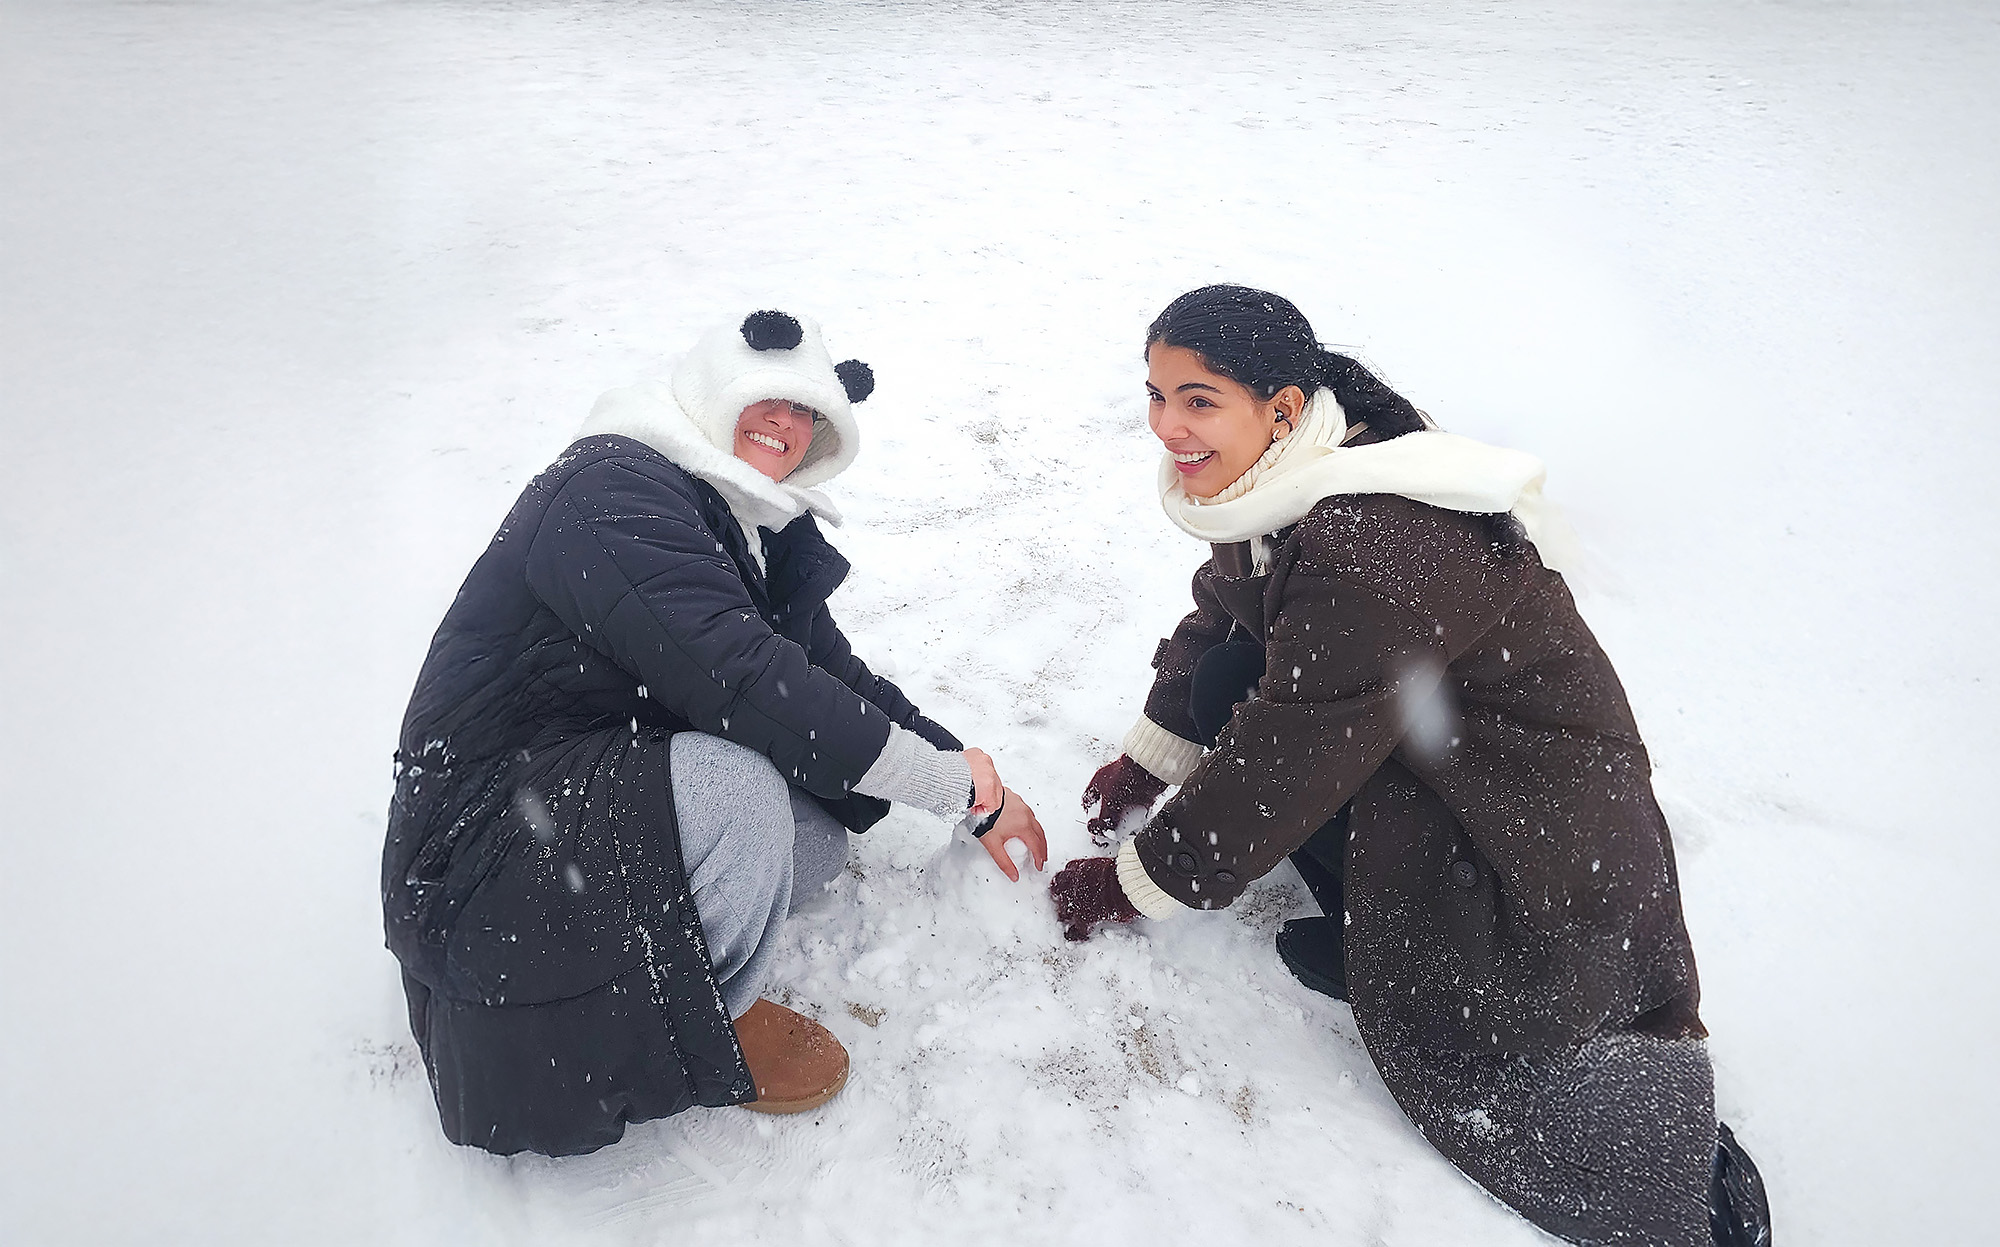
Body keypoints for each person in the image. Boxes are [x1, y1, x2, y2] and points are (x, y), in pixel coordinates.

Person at [1054, 286, 1771, 1247]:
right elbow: (1232, 601)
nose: (1168, 428)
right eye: (1156, 394)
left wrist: (1138, 884)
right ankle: (1375, 926)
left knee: (1318, 770)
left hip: (1530, 835)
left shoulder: (1369, 538)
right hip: (1454, 758)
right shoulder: (1289, 472)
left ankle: (1403, 955)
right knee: (1236, 672)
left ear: (1280, 405)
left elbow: (1287, 756)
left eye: (1198, 398)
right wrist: (1152, 755)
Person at [382, 309, 1047, 1157]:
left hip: (562, 799)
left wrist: (970, 781)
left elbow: (827, 675)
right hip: (475, 853)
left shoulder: (734, 522)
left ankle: (665, 969)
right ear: (710, 385)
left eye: (808, 412)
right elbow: (749, 679)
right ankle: (690, 1023)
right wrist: (941, 782)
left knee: (815, 841)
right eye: (768, 396)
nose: (787, 421)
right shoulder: (614, 487)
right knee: (742, 799)